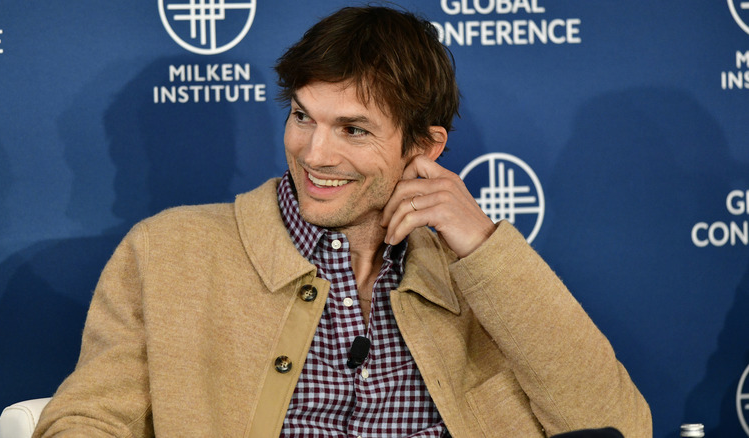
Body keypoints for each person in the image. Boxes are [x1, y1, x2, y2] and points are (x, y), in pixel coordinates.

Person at [33, 6, 652, 437]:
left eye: (353, 130)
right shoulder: (169, 252)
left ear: (426, 147)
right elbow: (86, 422)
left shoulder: (478, 278)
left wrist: (484, 249)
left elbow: (615, 423)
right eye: (303, 117)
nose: (314, 153)